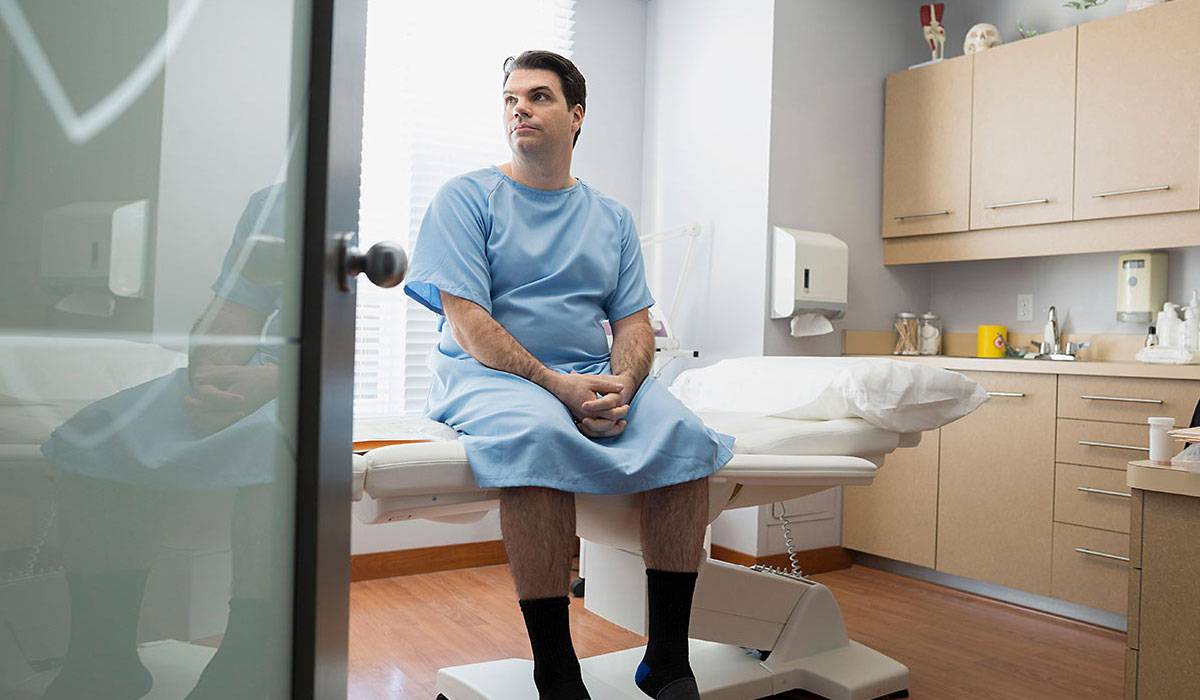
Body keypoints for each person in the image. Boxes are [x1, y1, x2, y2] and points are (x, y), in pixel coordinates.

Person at [402, 51, 735, 700]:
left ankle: (668, 660)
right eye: (510, 98)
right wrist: (558, 387)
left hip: (589, 373)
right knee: (540, 437)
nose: (519, 108)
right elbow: (468, 323)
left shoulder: (610, 218)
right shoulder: (466, 199)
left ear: (577, 115)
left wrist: (625, 385)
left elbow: (634, 325)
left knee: (685, 437)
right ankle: (556, 670)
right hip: (486, 375)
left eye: (539, 96)